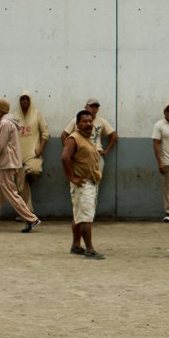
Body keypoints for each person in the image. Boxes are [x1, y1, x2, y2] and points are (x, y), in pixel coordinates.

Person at [0, 99, 41, 233]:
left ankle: (31, 218)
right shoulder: (7, 122)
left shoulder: (5, 123)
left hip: (6, 163)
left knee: (11, 193)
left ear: (1, 110)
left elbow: (0, 145)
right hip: (2, 163)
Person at [61, 109, 105, 259]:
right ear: (77, 124)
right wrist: (71, 177)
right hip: (82, 184)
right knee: (86, 217)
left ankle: (76, 245)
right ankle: (90, 249)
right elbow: (64, 157)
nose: (88, 124)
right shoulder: (74, 138)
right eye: (84, 121)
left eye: (90, 121)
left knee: (79, 216)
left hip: (89, 182)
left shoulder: (87, 138)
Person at [15, 91, 50, 213]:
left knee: (34, 170)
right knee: (21, 187)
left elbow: (45, 133)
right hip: (17, 157)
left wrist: (40, 148)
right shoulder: (14, 116)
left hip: (33, 155)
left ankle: (29, 179)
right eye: (22, 99)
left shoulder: (37, 114)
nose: (25, 101)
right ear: (19, 101)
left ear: (30, 101)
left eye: (27, 99)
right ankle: (27, 213)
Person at [61, 99, 117, 166]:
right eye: (91, 106)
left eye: (96, 107)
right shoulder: (76, 121)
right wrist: (69, 150)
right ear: (85, 107)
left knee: (97, 176)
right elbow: (64, 135)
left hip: (96, 155)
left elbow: (113, 135)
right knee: (80, 176)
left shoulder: (102, 121)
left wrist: (107, 150)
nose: (94, 109)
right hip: (80, 156)